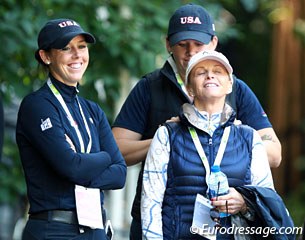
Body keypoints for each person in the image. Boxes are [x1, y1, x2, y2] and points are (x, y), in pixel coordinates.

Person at [111, 3, 282, 239]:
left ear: (213, 43)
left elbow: (274, 154)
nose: (191, 52)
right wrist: (168, 142)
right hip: (160, 220)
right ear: (168, 45)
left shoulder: (235, 87)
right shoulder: (150, 86)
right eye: (182, 44)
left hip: (227, 223)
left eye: (199, 44)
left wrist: (231, 137)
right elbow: (116, 150)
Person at [141, 50, 275, 239]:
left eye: (218, 71)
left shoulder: (249, 137)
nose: (210, 75)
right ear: (189, 89)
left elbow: (268, 200)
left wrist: (245, 204)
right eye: (201, 72)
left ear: (230, 85)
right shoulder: (166, 135)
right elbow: (150, 202)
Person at [16, 18, 126, 240]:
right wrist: (104, 157)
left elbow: (120, 174)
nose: (77, 55)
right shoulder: (37, 105)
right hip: (54, 231)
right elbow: (71, 167)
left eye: (82, 47)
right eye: (66, 48)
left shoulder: (92, 110)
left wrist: (79, 164)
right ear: (45, 56)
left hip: (96, 230)